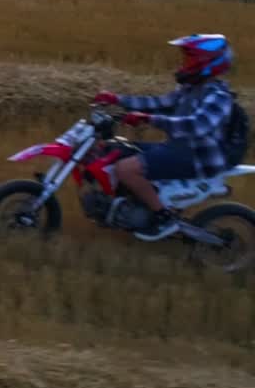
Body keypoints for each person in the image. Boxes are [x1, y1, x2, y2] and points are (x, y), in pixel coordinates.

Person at [92, 34, 235, 240]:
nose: (184, 63)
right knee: (114, 150)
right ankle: (131, 208)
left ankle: (163, 218)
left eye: (189, 59)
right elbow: (158, 103)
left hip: (197, 157)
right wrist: (116, 99)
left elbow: (196, 125)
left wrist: (150, 120)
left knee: (125, 169)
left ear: (207, 63)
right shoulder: (190, 89)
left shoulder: (219, 97)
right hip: (178, 149)